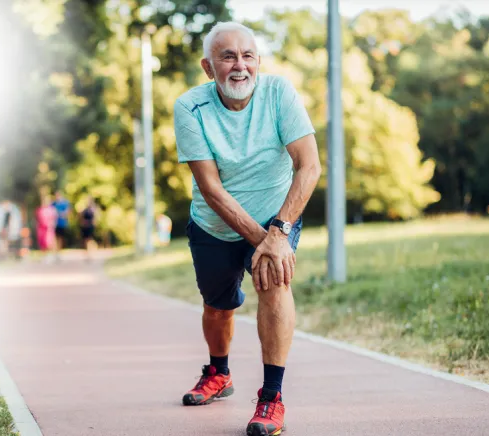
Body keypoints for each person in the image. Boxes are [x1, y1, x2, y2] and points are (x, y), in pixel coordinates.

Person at [173, 22, 322, 436]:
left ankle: (271, 398)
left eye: (248, 56)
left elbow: (308, 166)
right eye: (227, 57)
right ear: (209, 67)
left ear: (258, 61)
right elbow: (211, 188)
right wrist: (266, 241)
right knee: (218, 307)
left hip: (278, 215)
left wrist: (278, 234)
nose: (240, 66)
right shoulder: (189, 107)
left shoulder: (279, 94)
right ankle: (218, 372)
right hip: (213, 225)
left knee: (274, 283)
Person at [35, 196, 57, 263]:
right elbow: (38, 219)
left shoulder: (52, 210)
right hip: (42, 229)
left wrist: (52, 225)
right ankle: (44, 256)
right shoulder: (40, 210)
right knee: (42, 243)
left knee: (50, 242)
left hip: (49, 229)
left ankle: (51, 256)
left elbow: (54, 219)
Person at [52, 191, 71, 259]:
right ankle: (55, 252)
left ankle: (59, 252)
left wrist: (61, 214)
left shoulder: (65, 203)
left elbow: (68, 212)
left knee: (60, 238)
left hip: (62, 224)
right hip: (54, 224)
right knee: (54, 238)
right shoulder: (53, 203)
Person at [79, 196, 97, 261]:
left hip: (90, 227)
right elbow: (81, 218)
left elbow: (95, 219)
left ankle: (90, 253)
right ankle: (87, 253)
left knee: (90, 240)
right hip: (85, 227)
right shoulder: (84, 210)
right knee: (85, 240)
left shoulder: (93, 209)